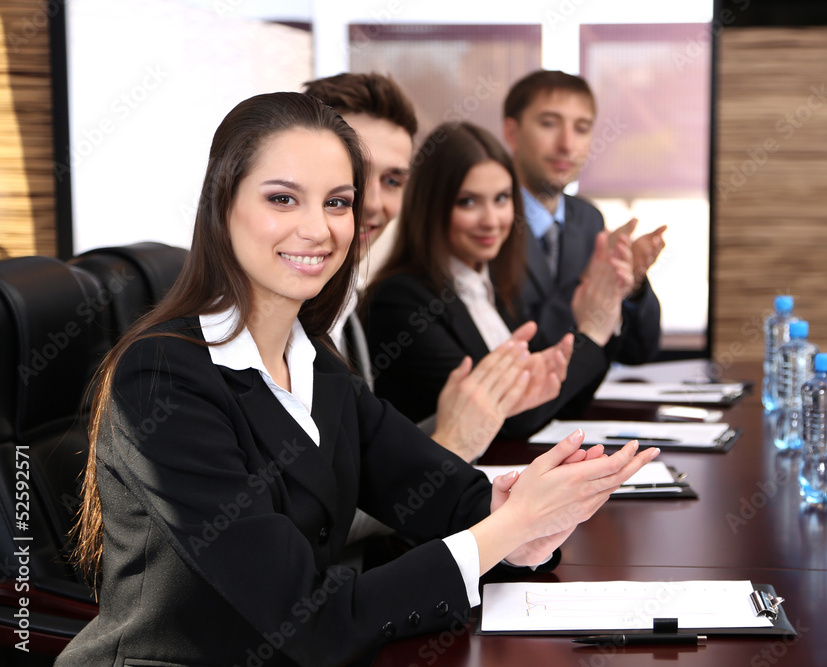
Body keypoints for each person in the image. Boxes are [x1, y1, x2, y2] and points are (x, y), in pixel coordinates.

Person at [57, 93, 657, 667]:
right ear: (222, 205)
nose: (319, 230)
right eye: (283, 199)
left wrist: (522, 511)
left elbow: (447, 494)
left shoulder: (315, 363)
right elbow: (309, 619)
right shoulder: (162, 378)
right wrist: (510, 528)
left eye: (337, 202)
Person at [303, 72, 572, 462]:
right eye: (355, 174)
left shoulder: (347, 316)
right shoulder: (391, 299)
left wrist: (464, 424)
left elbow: (361, 472)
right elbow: (316, 510)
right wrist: (453, 443)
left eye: (393, 180)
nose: (375, 203)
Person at [365, 122, 633, 438]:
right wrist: (592, 333)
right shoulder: (401, 301)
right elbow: (506, 419)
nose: (491, 221)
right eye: (468, 202)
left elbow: (559, 403)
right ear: (432, 207)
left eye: (502, 199)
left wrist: (605, 311)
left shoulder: (497, 286)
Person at [502, 69, 666, 365]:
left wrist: (631, 286)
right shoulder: (490, 223)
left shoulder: (588, 219)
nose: (566, 144)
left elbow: (638, 353)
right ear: (512, 133)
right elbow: (518, 346)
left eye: (581, 128)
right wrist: (592, 282)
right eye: (549, 124)